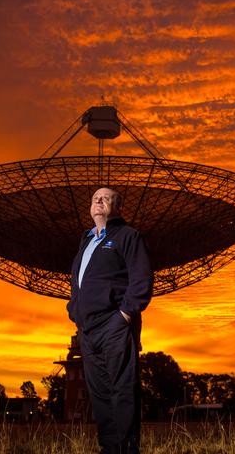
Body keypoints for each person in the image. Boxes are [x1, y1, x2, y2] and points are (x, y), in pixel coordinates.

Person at [67, 187, 153, 454]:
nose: (98, 201)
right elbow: (77, 283)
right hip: (88, 329)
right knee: (100, 394)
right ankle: (109, 448)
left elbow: (142, 280)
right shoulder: (86, 241)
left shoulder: (128, 236)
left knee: (122, 390)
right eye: (94, 198)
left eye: (106, 198)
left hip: (115, 325)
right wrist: (74, 310)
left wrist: (124, 315)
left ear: (118, 207)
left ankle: (127, 449)